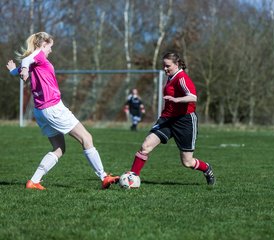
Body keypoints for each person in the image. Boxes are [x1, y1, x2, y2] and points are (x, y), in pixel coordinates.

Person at [6, 32, 119, 190]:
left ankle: (34, 181)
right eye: (50, 47)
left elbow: (22, 68)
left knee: (59, 148)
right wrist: (23, 69)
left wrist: (14, 71)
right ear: (43, 45)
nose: (51, 50)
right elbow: (25, 62)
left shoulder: (34, 61)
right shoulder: (38, 56)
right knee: (86, 138)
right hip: (53, 108)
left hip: (40, 111)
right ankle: (104, 177)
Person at [128, 52, 215, 185]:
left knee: (187, 162)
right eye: (163, 65)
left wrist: (177, 99)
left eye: (167, 65)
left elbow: (193, 97)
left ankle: (207, 168)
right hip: (167, 120)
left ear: (177, 64)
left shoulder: (181, 78)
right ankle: (132, 177)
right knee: (145, 146)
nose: (164, 68)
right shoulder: (170, 76)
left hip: (184, 121)